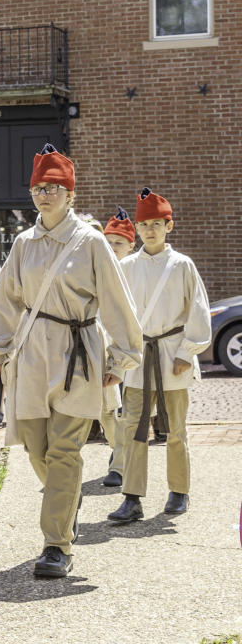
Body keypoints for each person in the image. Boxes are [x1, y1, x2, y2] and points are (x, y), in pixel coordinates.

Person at [0, 144, 142, 578]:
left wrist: (122, 354)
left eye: (54, 188)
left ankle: (56, 545)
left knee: (66, 450)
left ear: (70, 194)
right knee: (37, 446)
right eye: (38, 187)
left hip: (78, 352)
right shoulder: (22, 243)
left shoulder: (90, 242)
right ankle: (66, 497)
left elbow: (115, 298)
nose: (45, 194)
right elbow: (6, 300)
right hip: (32, 352)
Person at [108, 189, 211, 523]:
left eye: (156, 223)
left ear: (169, 225)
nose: (150, 230)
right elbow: (117, 314)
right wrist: (119, 357)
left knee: (176, 430)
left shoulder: (182, 265)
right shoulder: (125, 267)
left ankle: (179, 491)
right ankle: (132, 497)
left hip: (172, 355)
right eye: (144, 224)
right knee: (133, 429)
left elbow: (197, 310)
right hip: (139, 359)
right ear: (136, 228)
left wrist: (187, 352)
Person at [98, 206, 137, 487]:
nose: (112, 248)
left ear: (130, 245)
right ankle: (117, 450)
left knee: (127, 411)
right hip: (101, 348)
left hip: (130, 351)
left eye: (118, 243)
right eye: (108, 242)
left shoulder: (134, 270)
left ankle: (121, 464)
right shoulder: (96, 267)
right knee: (106, 410)